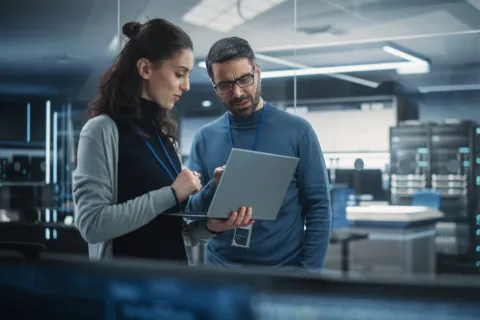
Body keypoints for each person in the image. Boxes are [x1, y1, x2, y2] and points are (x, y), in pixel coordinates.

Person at [72, 19, 252, 262]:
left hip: (173, 285)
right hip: (125, 289)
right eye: (179, 74)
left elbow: (170, 230)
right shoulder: (101, 131)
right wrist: (172, 193)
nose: (186, 85)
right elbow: (91, 225)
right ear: (145, 69)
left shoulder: (163, 138)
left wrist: (210, 225)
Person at [186, 37, 331, 271]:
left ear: (258, 72)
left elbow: (319, 207)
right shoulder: (205, 138)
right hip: (221, 273)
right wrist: (215, 186)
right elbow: (191, 211)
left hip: (284, 272)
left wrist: (309, 273)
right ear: (214, 86)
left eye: (244, 79)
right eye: (225, 85)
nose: (237, 92)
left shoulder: (298, 131)